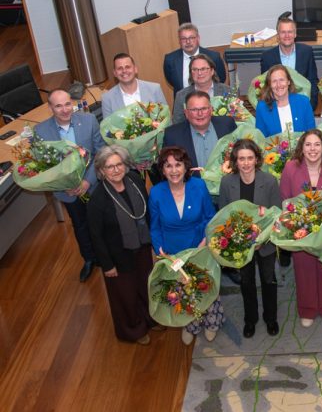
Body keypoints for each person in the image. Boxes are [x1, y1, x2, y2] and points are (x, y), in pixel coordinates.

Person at [149, 146, 222, 345]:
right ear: (162, 170)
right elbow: (154, 227)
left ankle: (212, 322)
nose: (174, 170)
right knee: (183, 290)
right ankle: (191, 324)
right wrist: (159, 250)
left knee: (206, 285)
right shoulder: (156, 192)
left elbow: (209, 217)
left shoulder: (198, 186)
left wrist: (205, 240)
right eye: (168, 166)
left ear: (185, 167)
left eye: (178, 165)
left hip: (199, 246)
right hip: (174, 252)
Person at [87, 145, 156, 344]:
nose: (116, 170)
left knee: (145, 285)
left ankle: (150, 319)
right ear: (101, 171)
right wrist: (107, 265)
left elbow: (147, 211)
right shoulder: (97, 199)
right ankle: (133, 329)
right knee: (125, 295)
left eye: (119, 164)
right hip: (118, 255)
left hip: (142, 246)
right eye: (110, 167)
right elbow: (96, 236)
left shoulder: (135, 180)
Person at [35, 88, 105, 282]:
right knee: (80, 224)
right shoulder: (41, 131)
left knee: (100, 221)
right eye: (58, 106)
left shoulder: (89, 120)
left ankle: (105, 256)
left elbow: (100, 152)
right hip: (67, 191)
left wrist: (87, 181)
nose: (65, 109)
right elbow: (44, 166)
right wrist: (63, 184)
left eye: (67, 104)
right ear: (50, 108)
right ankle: (89, 258)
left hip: (92, 184)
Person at [279, 129, 322, 327]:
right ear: (301, 147)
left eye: (317, 144)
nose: (312, 149)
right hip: (301, 232)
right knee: (304, 271)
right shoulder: (291, 168)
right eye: (308, 144)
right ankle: (307, 309)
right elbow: (285, 199)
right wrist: (292, 230)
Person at [218, 139, 282, 338]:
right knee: (246, 282)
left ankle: (271, 318)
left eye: (250, 158)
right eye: (241, 159)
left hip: (266, 242)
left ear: (257, 160)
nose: (245, 163)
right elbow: (223, 214)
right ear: (235, 161)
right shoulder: (227, 183)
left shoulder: (270, 181)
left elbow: (276, 214)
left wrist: (261, 239)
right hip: (241, 244)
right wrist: (242, 241)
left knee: (269, 280)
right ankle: (250, 319)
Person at [162, 91, 237, 172]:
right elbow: (166, 169)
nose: (200, 113)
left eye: (204, 108)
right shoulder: (172, 135)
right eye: (194, 110)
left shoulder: (227, 125)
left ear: (211, 110)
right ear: (186, 113)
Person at [261, 17, 320, 110]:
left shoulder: (306, 52)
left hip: (302, 106)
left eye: (290, 32)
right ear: (278, 35)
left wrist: (310, 107)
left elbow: (313, 82)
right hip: (278, 107)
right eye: (283, 32)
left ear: (295, 34)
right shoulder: (267, 57)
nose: (286, 35)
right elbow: (266, 87)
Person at [163, 22, 227, 97]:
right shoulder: (170, 60)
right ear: (179, 41)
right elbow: (172, 82)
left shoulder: (214, 57)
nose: (188, 42)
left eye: (191, 38)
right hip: (183, 103)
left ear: (198, 38)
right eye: (184, 39)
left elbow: (220, 79)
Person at [255, 64, 316, 137]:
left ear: (288, 82)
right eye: (274, 81)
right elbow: (261, 140)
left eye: (281, 80)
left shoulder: (303, 102)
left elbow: (312, 135)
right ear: (270, 85)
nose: (278, 85)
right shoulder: (262, 108)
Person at [101, 53, 167, 118]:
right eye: (120, 68)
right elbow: (107, 127)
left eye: (128, 67)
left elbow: (166, 118)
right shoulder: (107, 99)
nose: (124, 71)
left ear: (135, 69)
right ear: (115, 73)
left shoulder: (154, 89)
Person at [172, 54, 229, 123]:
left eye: (203, 69)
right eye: (195, 69)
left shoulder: (227, 91)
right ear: (191, 73)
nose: (199, 73)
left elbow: (236, 119)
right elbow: (177, 124)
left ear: (212, 71)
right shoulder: (181, 96)